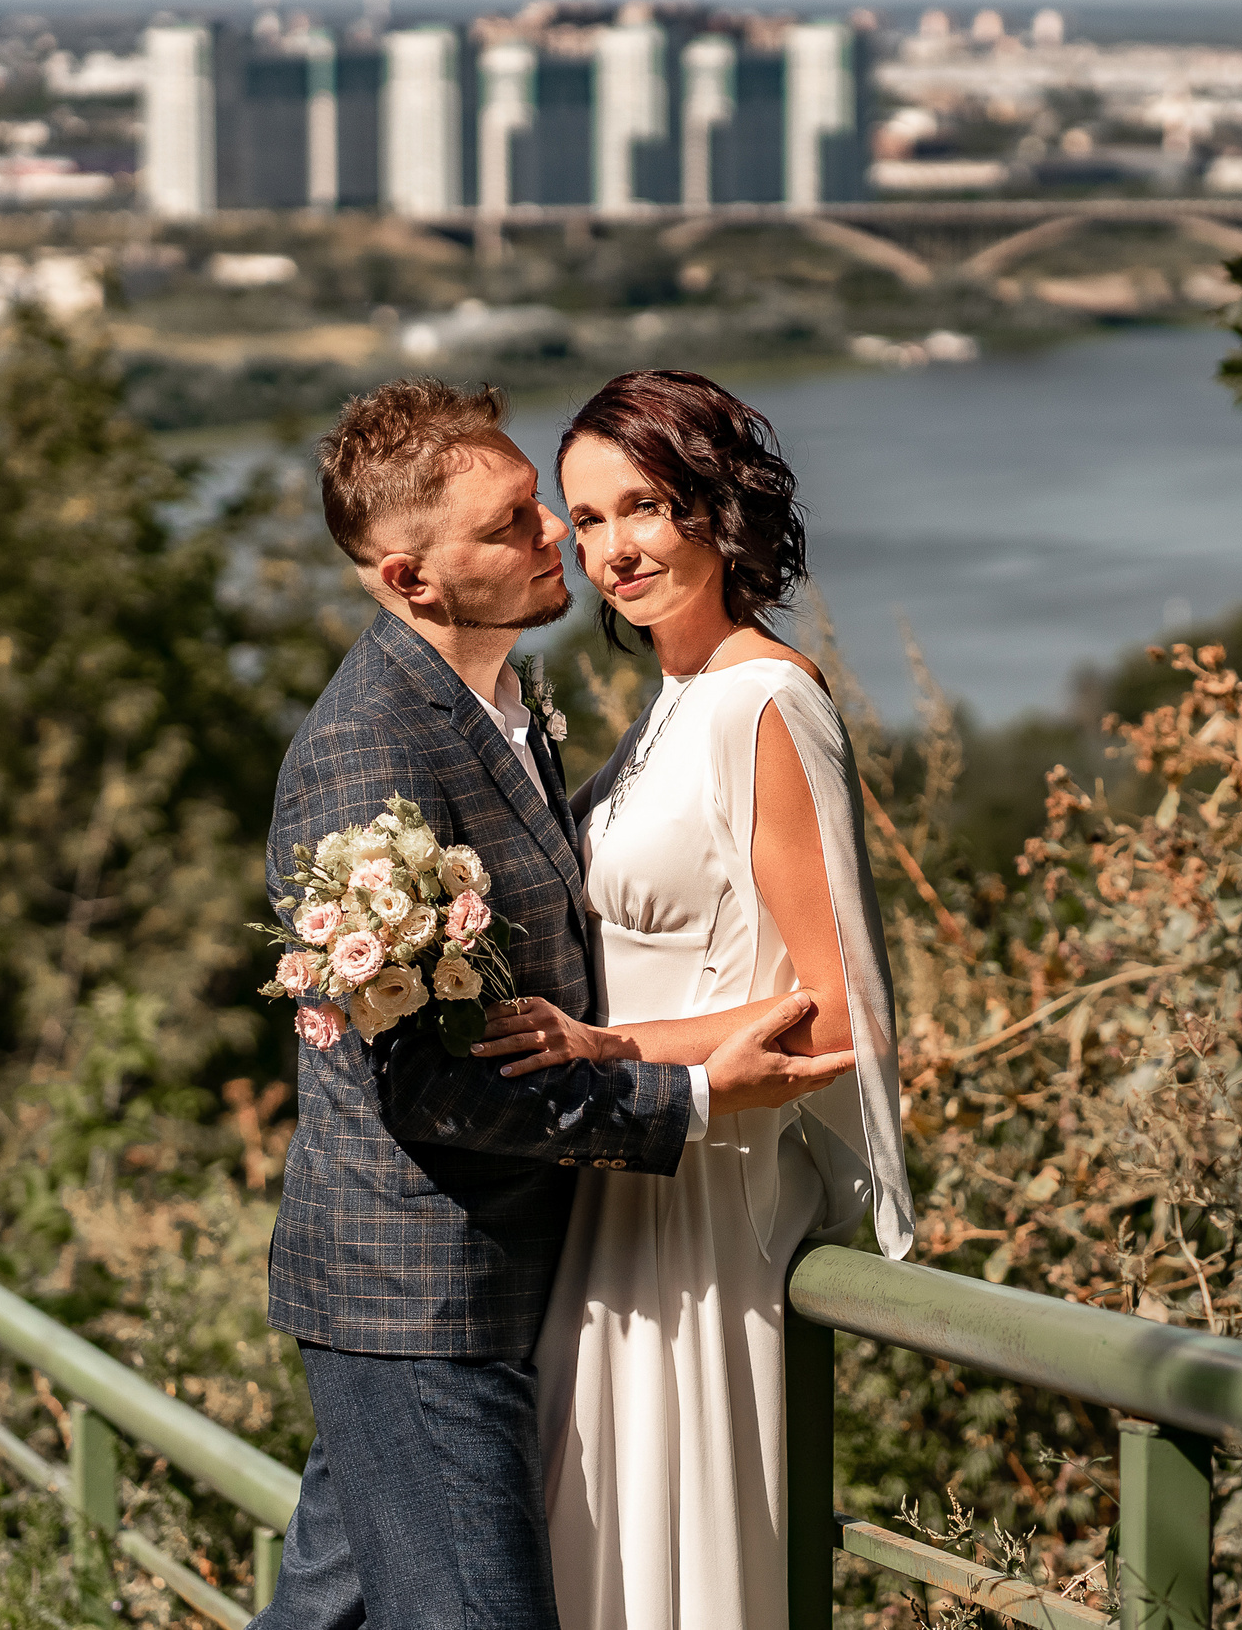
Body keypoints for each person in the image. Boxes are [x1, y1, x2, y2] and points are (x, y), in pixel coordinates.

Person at [252, 377, 858, 1630]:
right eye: (514, 525)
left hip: (512, 1277)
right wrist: (687, 1093)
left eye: (544, 506)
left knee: (326, 1618)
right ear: (412, 579)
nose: (558, 541)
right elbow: (427, 1085)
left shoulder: (500, 709)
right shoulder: (370, 752)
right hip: (424, 1298)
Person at [474, 370, 913, 1630]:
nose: (613, 549)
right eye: (587, 518)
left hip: (703, 1211)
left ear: (716, 505)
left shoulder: (765, 702)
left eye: (643, 507)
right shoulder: (672, 700)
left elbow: (836, 1015)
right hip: (619, 1194)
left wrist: (606, 1046)